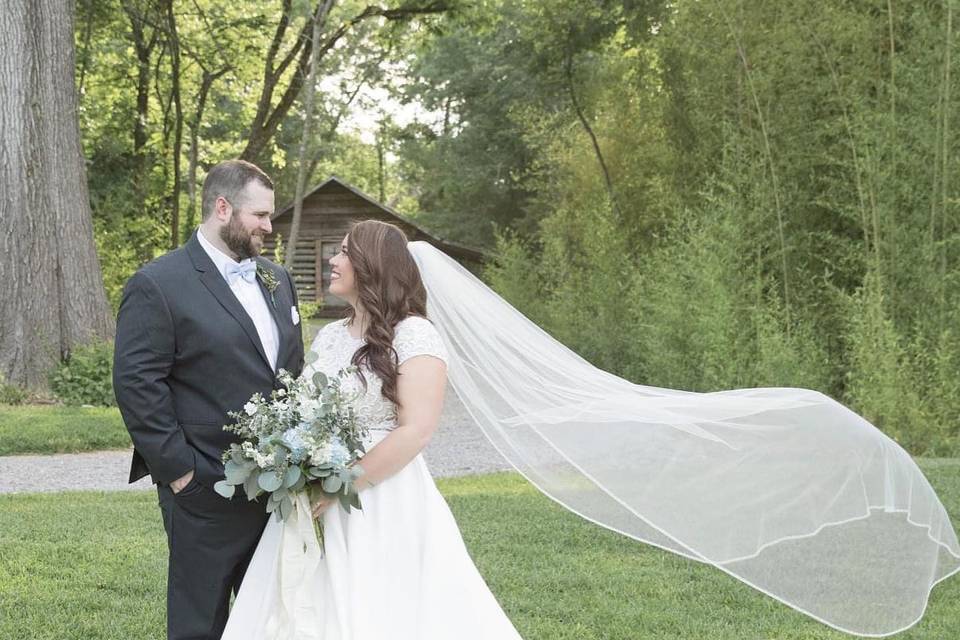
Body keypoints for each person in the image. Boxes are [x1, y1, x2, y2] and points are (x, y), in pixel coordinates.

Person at [220, 220, 523, 639]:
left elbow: (415, 430)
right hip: (311, 491)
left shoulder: (415, 335)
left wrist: (340, 485)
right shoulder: (329, 335)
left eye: (344, 252)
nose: (333, 259)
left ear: (371, 265)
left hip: (382, 498)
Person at [113, 159, 305, 640]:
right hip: (204, 488)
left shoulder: (278, 280)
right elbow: (138, 385)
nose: (268, 225)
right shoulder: (158, 283)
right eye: (259, 215)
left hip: (277, 489)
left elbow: (292, 372)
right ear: (223, 208)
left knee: (275, 618)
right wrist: (181, 473)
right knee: (201, 624)